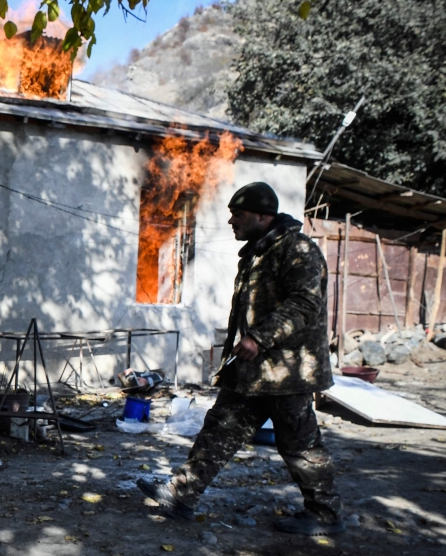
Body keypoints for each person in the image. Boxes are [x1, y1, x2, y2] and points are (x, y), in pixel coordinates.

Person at [137, 182, 344, 535]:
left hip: (288, 371)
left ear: (264, 216)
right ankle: (181, 495)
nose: (231, 220)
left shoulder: (298, 250)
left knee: (300, 444)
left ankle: (324, 513)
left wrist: (259, 338)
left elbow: (305, 304)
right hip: (255, 370)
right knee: (219, 430)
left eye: (239, 214)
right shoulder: (258, 252)